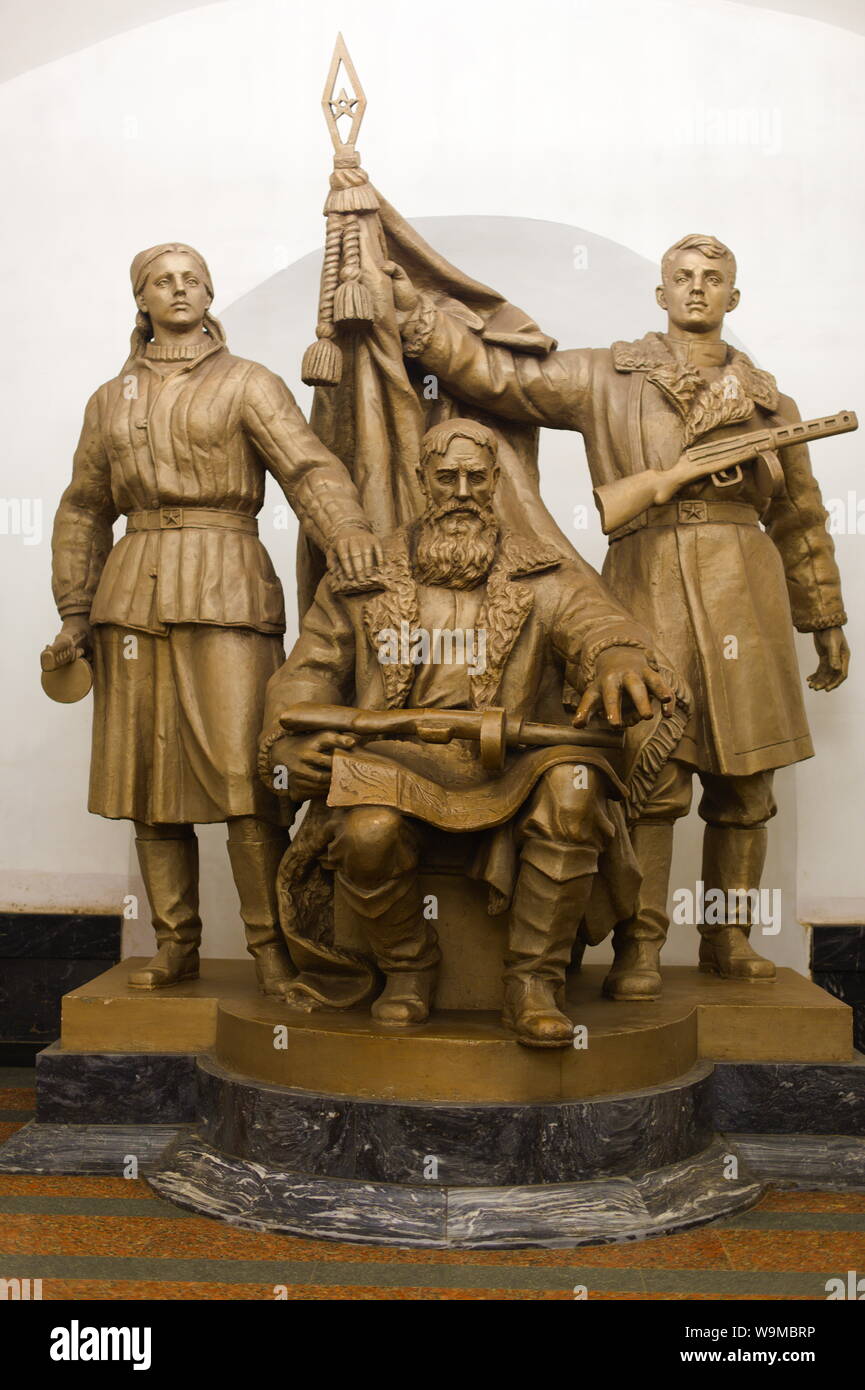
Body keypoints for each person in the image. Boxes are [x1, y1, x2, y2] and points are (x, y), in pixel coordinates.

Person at [381, 236, 849, 998]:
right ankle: (639, 948)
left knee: (746, 788)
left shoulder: (773, 404)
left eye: (713, 280)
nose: (696, 290)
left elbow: (800, 520)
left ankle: (726, 940)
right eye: (681, 279)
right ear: (660, 294)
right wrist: (412, 313)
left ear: (734, 297)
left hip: (747, 593)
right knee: (648, 779)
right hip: (646, 581)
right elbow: (502, 378)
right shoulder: (608, 373)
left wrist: (821, 616)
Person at [260, 418, 674, 1047]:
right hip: (394, 758)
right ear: (421, 481)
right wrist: (288, 745)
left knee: (576, 788)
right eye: (445, 476)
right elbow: (306, 677)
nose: (460, 489)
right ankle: (408, 966)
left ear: (495, 482)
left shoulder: (542, 571)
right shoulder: (365, 576)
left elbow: (598, 624)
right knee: (366, 832)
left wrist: (617, 655)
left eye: (475, 476)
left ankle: (533, 982)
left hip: (509, 760)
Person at [46, 242, 380, 993]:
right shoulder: (109, 400)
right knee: (148, 785)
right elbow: (83, 509)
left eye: (191, 278)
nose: (179, 289)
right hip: (130, 597)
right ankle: (176, 945)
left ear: (209, 292)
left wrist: (348, 534)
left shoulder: (248, 382)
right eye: (162, 281)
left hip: (227, 585)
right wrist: (74, 609)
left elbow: (307, 467)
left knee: (248, 779)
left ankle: (272, 952)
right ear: (142, 299)